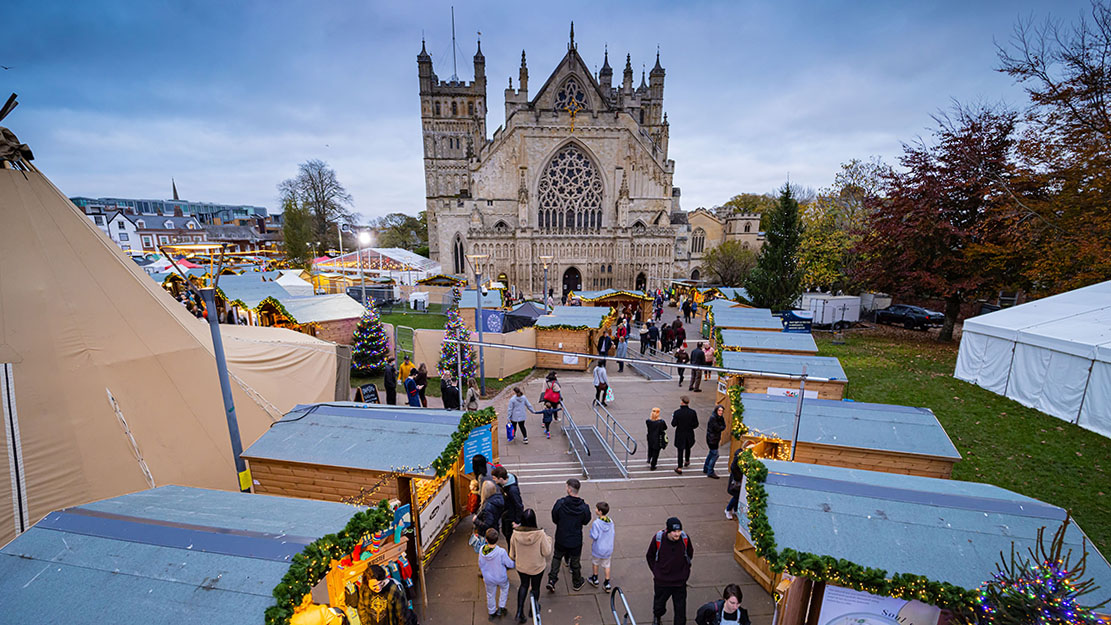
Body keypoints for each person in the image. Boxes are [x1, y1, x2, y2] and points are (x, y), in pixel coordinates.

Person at [547, 478, 591, 593]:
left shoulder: (560, 504)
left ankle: (552, 579)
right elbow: (586, 520)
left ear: (569, 489)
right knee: (575, 561)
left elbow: (554, 518)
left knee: (557, 557)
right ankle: (576, 581)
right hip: (575, 539)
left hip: (561, 536)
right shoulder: (584, 507)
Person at [646, 517, 694, 625]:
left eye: (679, 531)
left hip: (679, 582)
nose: (677, 534)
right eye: (674, 531)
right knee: (659, 604)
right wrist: (657, 572)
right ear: (668, 531)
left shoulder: (685, 539)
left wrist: (685, 572)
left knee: (680, 609)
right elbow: (650, 556)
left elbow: (689, 553)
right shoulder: (658, 539)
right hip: (662, 581)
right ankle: (657, 616)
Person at [509, 509, 553, 624]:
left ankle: (519, 612)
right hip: (537, 567)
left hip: (522, 567)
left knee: (523, 585)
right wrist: (549, 539)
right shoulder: (540, 534)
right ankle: (532, 609)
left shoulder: (515, 534)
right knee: (535, 588)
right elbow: (546, 552)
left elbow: (511, 555)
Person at [478, 528, 515, 621]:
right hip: (501, 577)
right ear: (497, 539)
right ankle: (501, 607)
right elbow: (509, 564)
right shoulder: (501, 552)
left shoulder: (482, 550)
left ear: (486, 539)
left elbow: (480, 563)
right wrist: (514, 563)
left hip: (488, 578)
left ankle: (492, 612)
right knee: (504, 588)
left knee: (490, 594)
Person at [588, 501, 615, 591]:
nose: (595, 510)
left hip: (598, 548)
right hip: (608, 548)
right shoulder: (610, 521)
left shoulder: (597, 523)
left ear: (600, 512)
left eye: (596, 508)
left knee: (595, 562)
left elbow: (594, 536)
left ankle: (595, 578)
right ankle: (607, 582)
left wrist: (591, 532)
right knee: (607, 564)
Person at [493, 465, 524, 544]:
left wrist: (517, 521)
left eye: (494, 478)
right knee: (506, 532)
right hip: (506, 512)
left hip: (511, 516)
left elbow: (519, 505)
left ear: (500, 479)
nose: (493, 480)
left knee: (509, 536)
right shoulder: (507, 482)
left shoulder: (512, 491)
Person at [671, 396, 699, 474]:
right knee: (688, 447)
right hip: (689, 433)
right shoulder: (693, 412)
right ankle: (687, 460)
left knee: (680, 450)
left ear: (682, 402)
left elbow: (673, 424)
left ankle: (679, 467)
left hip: (680, 434)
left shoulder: (677, 413)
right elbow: (696, 424)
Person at [704, 405, 726, 479]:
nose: (721, 412)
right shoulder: (713, 418)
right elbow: (718, 428)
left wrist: (721, 427)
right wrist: (721, 427)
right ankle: (710, 471)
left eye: (722, 411)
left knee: (711, 453)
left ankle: (706, 468)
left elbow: (723, 426)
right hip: (712, 439)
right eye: (719, 410)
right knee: (715, 455)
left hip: (714, 439)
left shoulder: (719, 418)